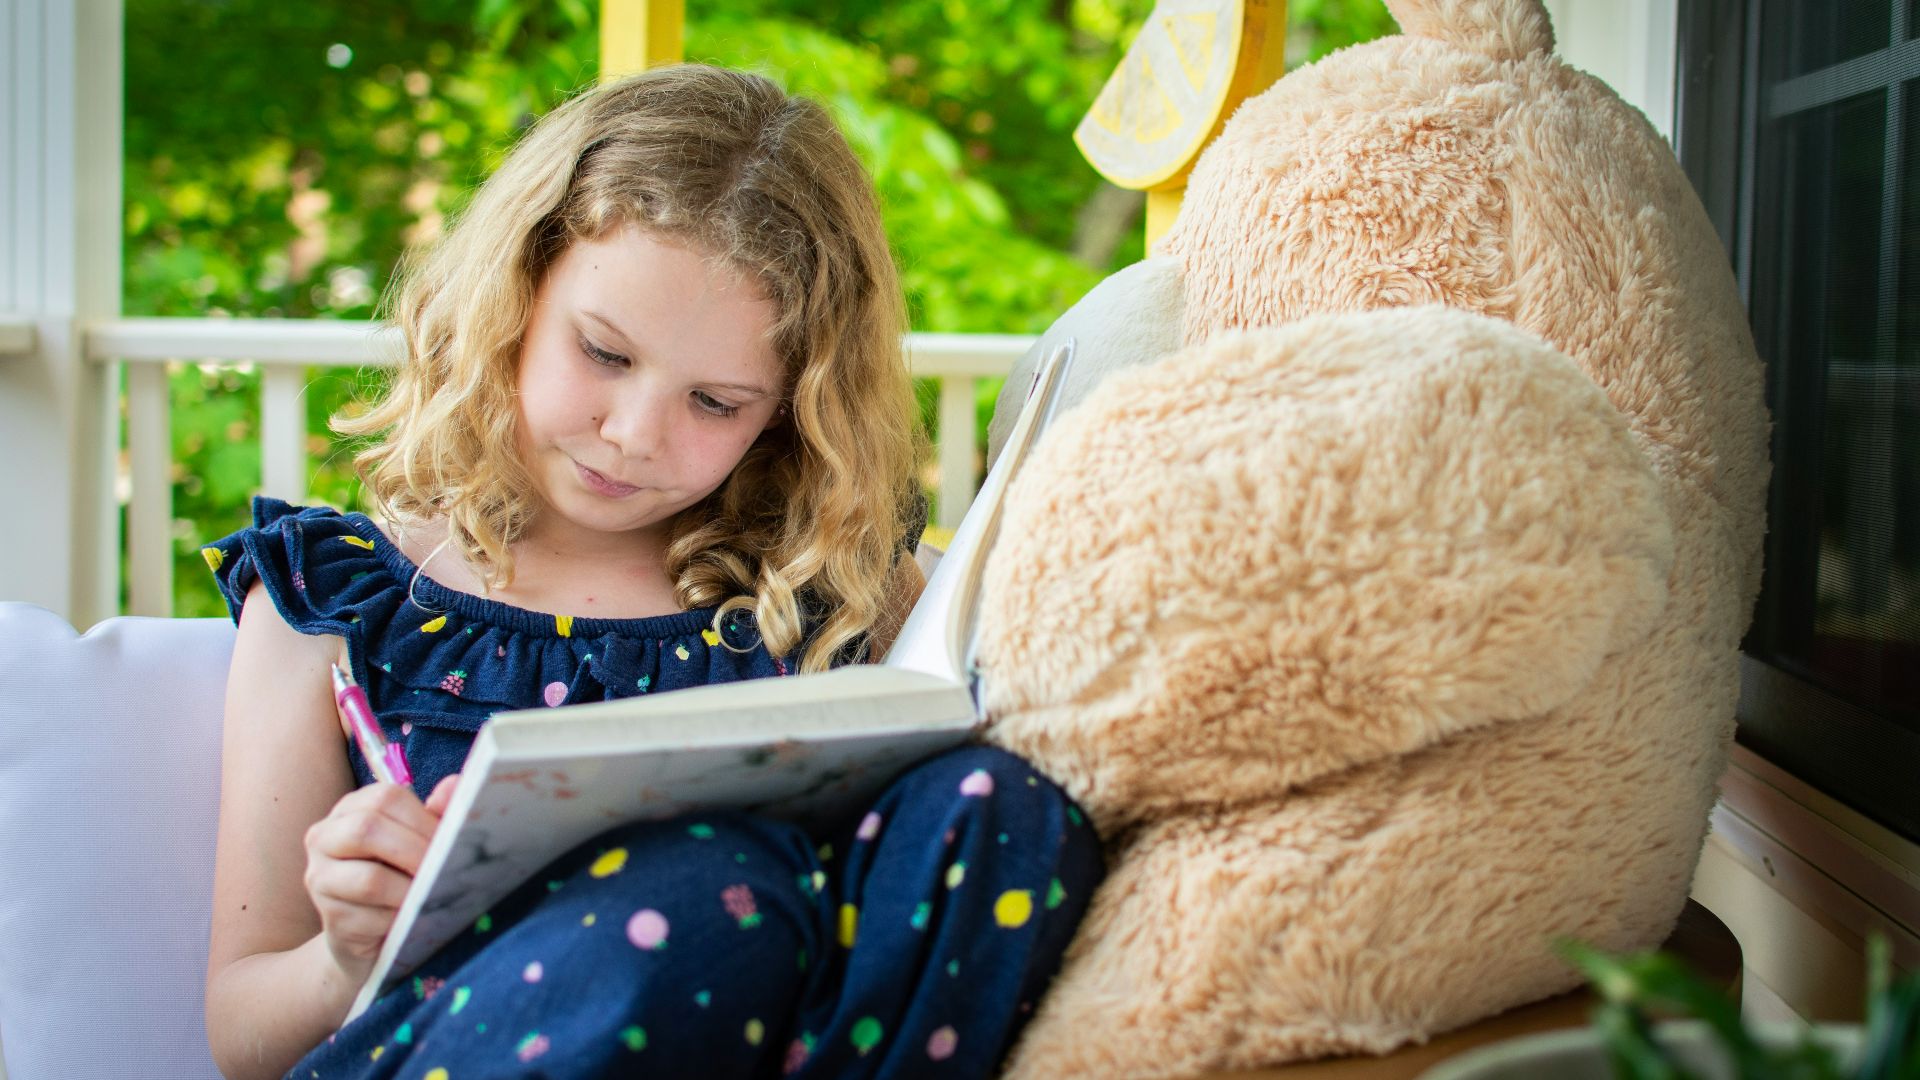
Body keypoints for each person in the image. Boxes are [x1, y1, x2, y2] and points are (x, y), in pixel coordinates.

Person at [200, 64, 1102, 1080]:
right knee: (710, 888)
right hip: (443, 1053)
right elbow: (240, 1032)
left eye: (715, 403)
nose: (632, 436)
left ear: (787, 412)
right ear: (517, 292)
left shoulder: (827, 588)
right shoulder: (338, 599)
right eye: (603, 352)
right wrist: (344, 955)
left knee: (1004, 807)